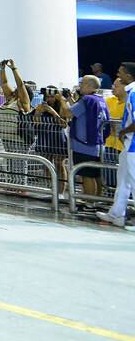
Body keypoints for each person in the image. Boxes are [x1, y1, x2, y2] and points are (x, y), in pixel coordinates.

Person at [98, 63, 135, 228]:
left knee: (133, 180)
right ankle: (116, 214)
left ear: (128, 75)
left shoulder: (133, 94)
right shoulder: (130, 93)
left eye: (120, 73)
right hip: (128, 144)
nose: (118, 76)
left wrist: (123, 131)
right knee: (123, 180)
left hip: (133, 144)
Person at [67, 76, 111, 204]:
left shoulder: (87, 100)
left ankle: (89, 203)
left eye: (82, 83)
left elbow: (68, 113)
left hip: (84, 144)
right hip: (97, 143)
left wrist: (62, 100)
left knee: (87, 176)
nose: (80, 86)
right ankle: (96, 201)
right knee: (95, 175)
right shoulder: (101, 100)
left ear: (89, 85)